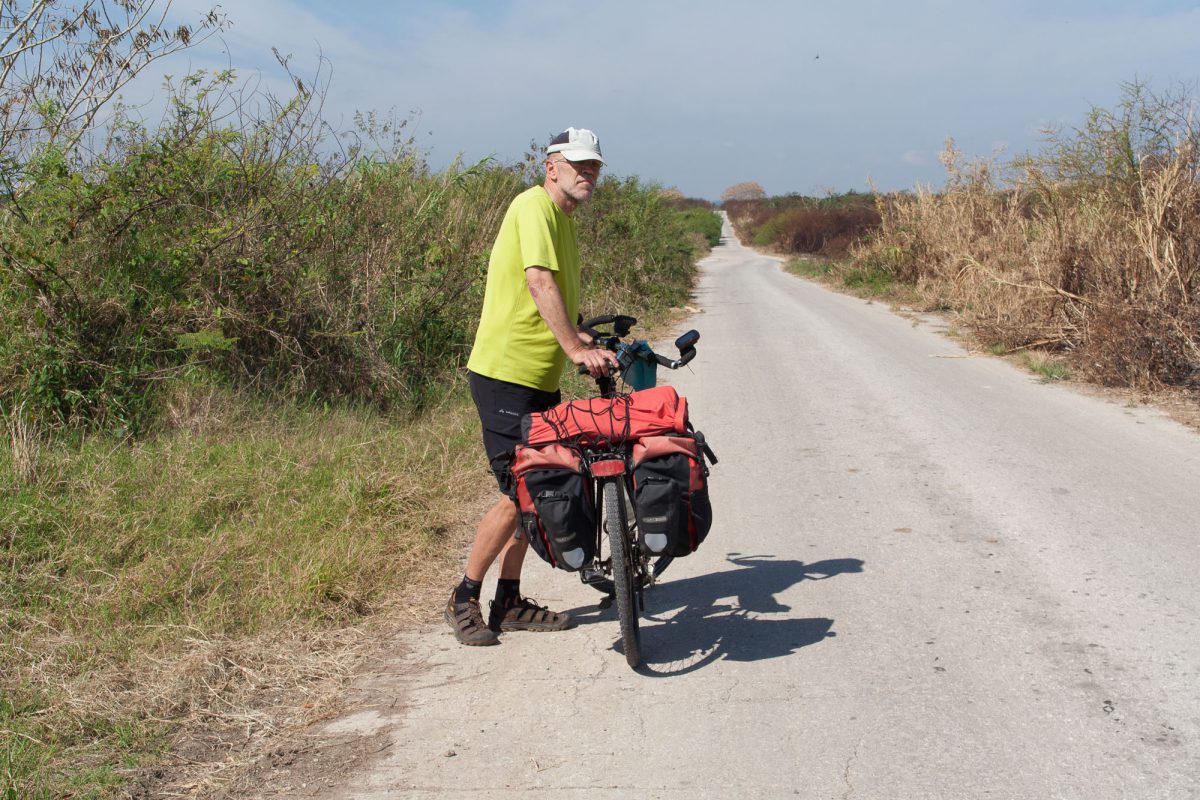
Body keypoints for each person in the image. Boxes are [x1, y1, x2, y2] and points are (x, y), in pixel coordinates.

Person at [446, 127, 620, 646]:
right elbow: (538, 283)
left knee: (540, 485)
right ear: (552, 167)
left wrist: (587, 339)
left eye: (594, 166)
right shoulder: (533, 207)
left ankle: (510, 599)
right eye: (578, 164)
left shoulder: (563, 221)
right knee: (516, 491)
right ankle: (463, 598)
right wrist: (574, 350)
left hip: (535, 378)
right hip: (505, 376)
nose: (588, 173)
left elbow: (554, 303)